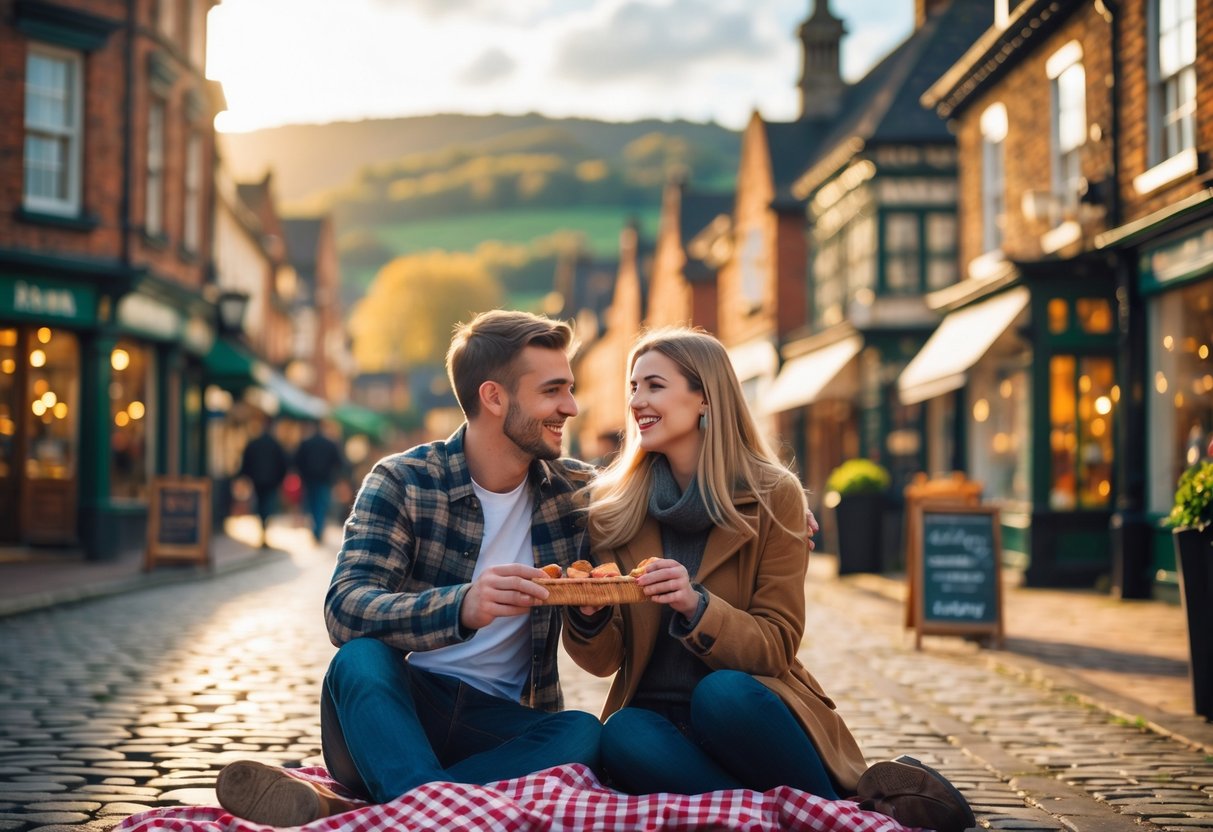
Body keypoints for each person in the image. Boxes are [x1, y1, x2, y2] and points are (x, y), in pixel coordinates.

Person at [561, 327, 976, 832]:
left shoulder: (774, 496)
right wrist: (590, 616)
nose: (636, 401)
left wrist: (696, 606)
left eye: (654, 386)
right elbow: (604, 663)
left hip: (749, 715)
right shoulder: (614, 512)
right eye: (632, 387)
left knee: (722, 695)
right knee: (622, 732)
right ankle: (813, 817)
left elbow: (776, 645)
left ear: (704, 399)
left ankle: (824, 809)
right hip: (657, 723)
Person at [214, 310, 602, 826]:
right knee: (359, 660)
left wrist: (595, 608)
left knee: (582, 731)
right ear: (494, 397)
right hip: (396, 711)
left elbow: (660, 488)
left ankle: (371, 810)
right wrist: (461, 605)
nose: (571, 407)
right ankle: (425, 802)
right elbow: (345, 606)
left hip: (499, 726)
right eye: (553, 391)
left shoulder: (576, 491)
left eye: (569, 389)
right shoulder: (403, 480)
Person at [239, 416, 289, 548]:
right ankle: (264, 527)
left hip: (258, 480)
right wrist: (280, 478)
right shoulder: (275, 444)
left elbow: (246, 461)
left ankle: (263, 526)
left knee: (261, 503)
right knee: (267, 504)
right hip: (271, 481)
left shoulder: (255, 443)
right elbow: (283, 463)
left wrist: (245, 475)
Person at [293, 419, 346, 543]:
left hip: (310, 479)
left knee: (312, 504)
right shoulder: (330, 443)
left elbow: (297, 461)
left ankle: (316, 530)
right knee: (321, 504)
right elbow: (339, 462)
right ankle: (318, 530)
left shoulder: (306, 443)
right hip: (324, 480)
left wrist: (303, 474)